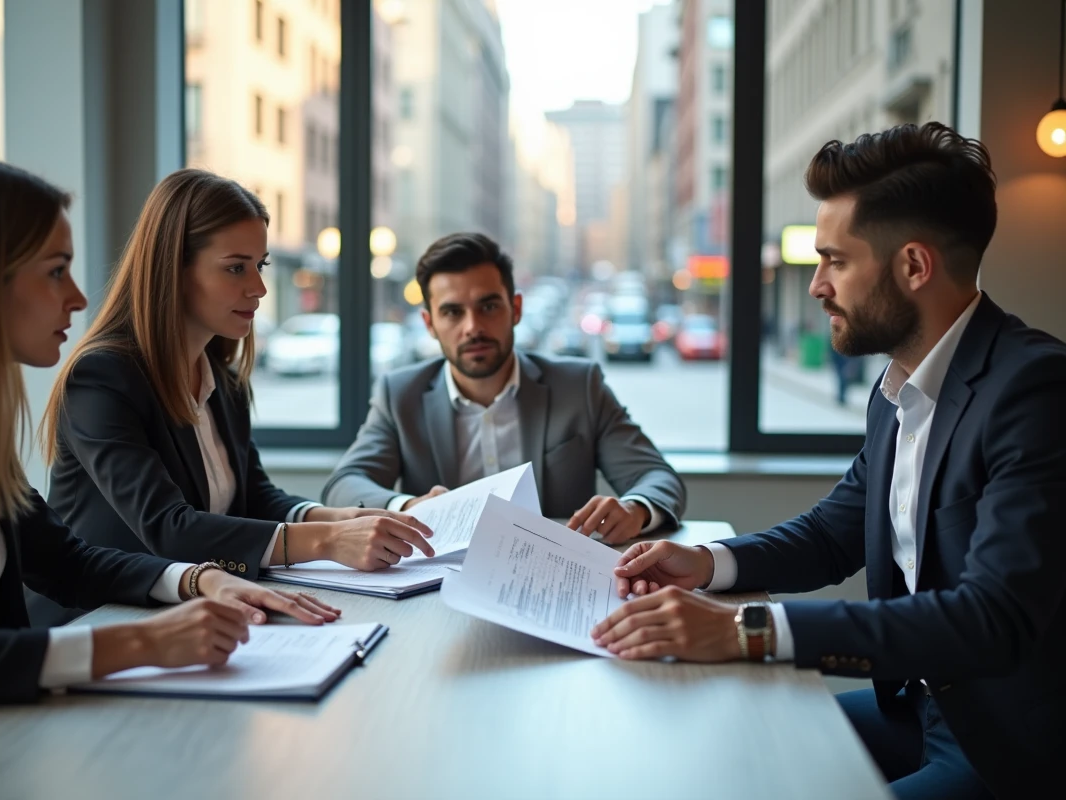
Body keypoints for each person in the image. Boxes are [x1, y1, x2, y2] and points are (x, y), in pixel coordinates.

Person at [588, 122, 1065, 798]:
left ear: (914, 266)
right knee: (730, 747)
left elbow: (992, 617)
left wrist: (747, 629)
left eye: (834, 261)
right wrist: (706, 563)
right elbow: (833, 533)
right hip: (918, 708)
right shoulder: (898, 388)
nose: (816, 285)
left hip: (1008, 746)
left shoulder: (1035, 389)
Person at [0, 157, 340, 723]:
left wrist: (196, 579)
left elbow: (63, 560)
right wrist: (142, 642)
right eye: (56, 271)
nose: (76, 297)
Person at [40, 169, 433, 619]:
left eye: (260, 265)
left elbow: (255, 497)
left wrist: (340, 519)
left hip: (189, 614)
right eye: (235, 268)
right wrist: (328, 540)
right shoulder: (101, 378)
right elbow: (168, 528)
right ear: (173, 269)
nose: (259, 288)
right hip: (96, 617)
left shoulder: (222, 380)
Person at [322, 232, 686, 544]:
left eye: (488, 306)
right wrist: (407, 507)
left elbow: (657, 477)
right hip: (438, 585)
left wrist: (635, 509)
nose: (473, 327)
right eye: (452, 312)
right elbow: (344, 485)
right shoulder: (401, 394)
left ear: (516, 309)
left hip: (555, 577)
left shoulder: (579, 387)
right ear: (430, 324)